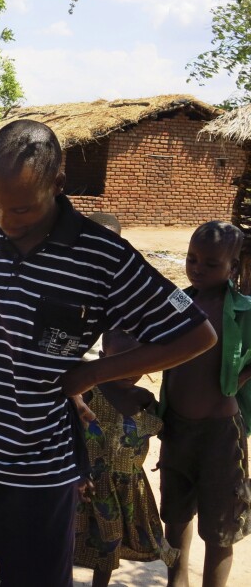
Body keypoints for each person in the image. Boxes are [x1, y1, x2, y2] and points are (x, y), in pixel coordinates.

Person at [0, 119, 217, 587]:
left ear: (57, 185)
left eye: (20, 209)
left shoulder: (102, 257)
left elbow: (196, 335)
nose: (2, 222)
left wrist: (91, 374)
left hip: (38, 475)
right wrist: (12, 364)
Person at [157, 220, 251, 587]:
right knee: (175, 517)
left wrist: (238, 378)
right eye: (192, 259)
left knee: (221, 526)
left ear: (233, 266)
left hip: (220, 435)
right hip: (177, 429)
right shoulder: (180, 301)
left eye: (211, 264)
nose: (197, 268)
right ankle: (175, 581)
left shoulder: (244, 310)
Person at [74, 330, 179, 586]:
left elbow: (163, 432)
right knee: (71, 541)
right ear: (102, 357)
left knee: (111, 545)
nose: (131, 370)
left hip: (127, 488)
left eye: (140, 363)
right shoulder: (89, 394)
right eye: (122, 361)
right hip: (89, 485)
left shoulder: (145, 400)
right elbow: (72, 435)